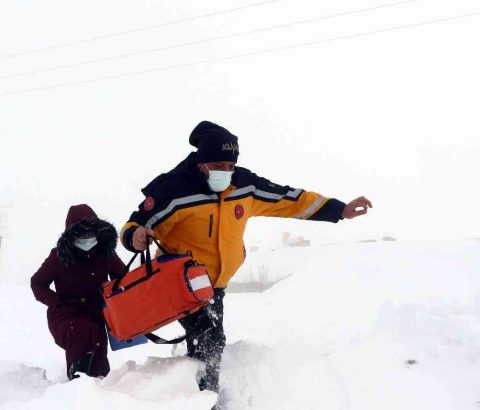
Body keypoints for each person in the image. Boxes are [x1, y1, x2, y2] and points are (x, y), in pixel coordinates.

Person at [120, 121, 372, 395]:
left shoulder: (244, 185)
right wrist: (134, 236)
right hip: (181, 283)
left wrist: (338, 209)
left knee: (208, 341)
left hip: (214, 286)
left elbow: (290, 200)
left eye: (230, 166)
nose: (226, 172)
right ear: (201, 162)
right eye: (218, 165)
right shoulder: (174, 191)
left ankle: (191, 394)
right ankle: (207, 400)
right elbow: (134, 224)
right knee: (210, 339)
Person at [31, 204, 127, 380]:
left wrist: (112, 286)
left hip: (96, 314)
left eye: (91, 233)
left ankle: (101, 390)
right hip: (66, 316)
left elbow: (124, 278)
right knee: (80, 331)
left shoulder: (105, 253)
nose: (88, 238)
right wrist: (58, 304)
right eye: (83, 234)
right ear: (72, 235)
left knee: (98, 353)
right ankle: (76, 384)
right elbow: (37, 283)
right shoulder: (59, 256)